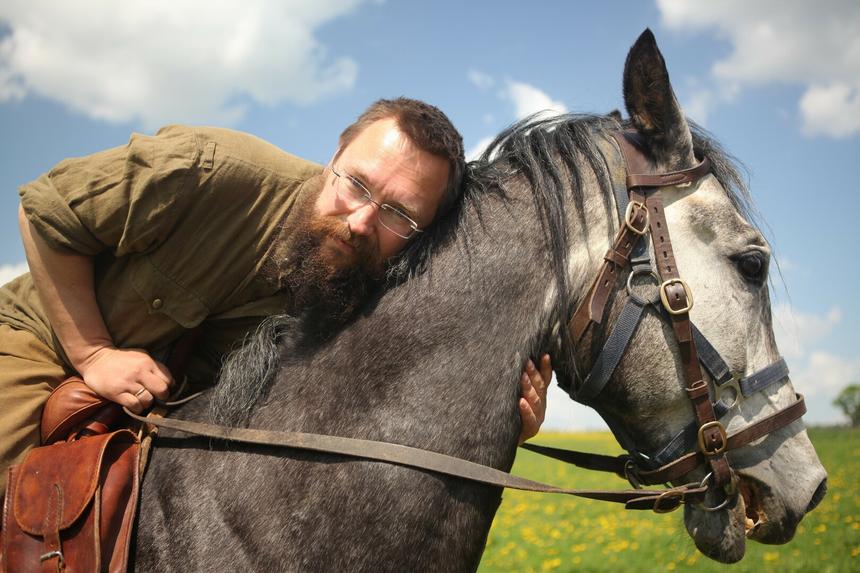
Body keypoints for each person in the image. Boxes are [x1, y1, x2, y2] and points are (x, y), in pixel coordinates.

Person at [0, 98, 551, 494]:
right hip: (42, 343)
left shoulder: (380, 281)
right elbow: (47, 210)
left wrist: (505, 416)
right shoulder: (209, 167)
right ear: (335, 152)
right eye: (356, 184)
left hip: (177, 420)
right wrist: (93, 353)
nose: (361, 222)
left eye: (399, 213)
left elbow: (403, 391)